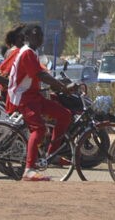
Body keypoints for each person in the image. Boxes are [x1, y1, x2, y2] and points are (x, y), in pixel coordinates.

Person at [7, 24, 75, 182]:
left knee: (65, 115)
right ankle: (29, 170)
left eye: (41, 35)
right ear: (26, 38)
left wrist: (65, 83)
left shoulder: (34, 52)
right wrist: (63, 88)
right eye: (36, 35)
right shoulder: (27, 53)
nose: (39, 38)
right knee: (39, 129)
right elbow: (41, 75)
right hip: (23, 97)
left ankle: (51, 155)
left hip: (34, 96)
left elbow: (45, 73)